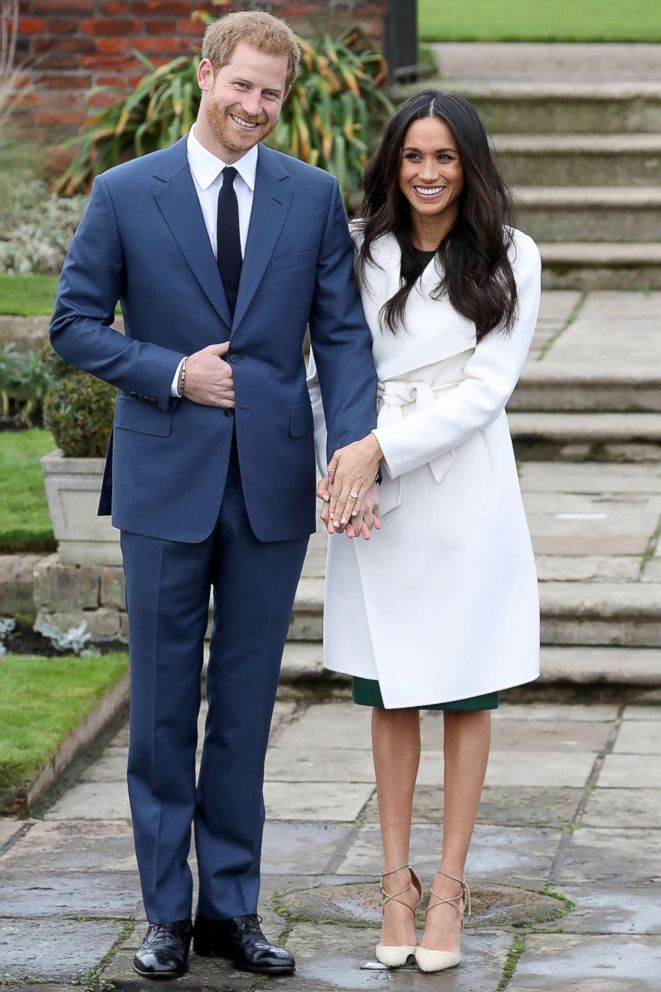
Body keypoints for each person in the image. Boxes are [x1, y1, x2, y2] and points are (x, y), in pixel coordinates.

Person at [49, 11, 380, 980]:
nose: (256, 108)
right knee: (159, 708)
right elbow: (73, 323)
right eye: (241, 86)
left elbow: (344, 335)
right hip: (162, 480)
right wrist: (168, 371)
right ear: (204, 75)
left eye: (272, 94)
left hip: (272, 487)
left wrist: (354, 446)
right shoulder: (125, 192)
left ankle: (230, 907)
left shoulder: (311, 196)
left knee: (242, 707)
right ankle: (162, 912)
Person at [308, 90, 541, 973]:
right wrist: (343, 469)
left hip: (462, 492)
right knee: (390, 687)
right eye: (413, 157)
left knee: (466, 685)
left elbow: (485, 391)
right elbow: (330, 363)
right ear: (391, 163)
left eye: (444, 157)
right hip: (372, 493)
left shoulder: (513, 255)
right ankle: (393, 884)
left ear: (470, 163)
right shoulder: (359, 249)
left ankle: (448, 891)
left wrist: (376, 450)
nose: (428, 173)